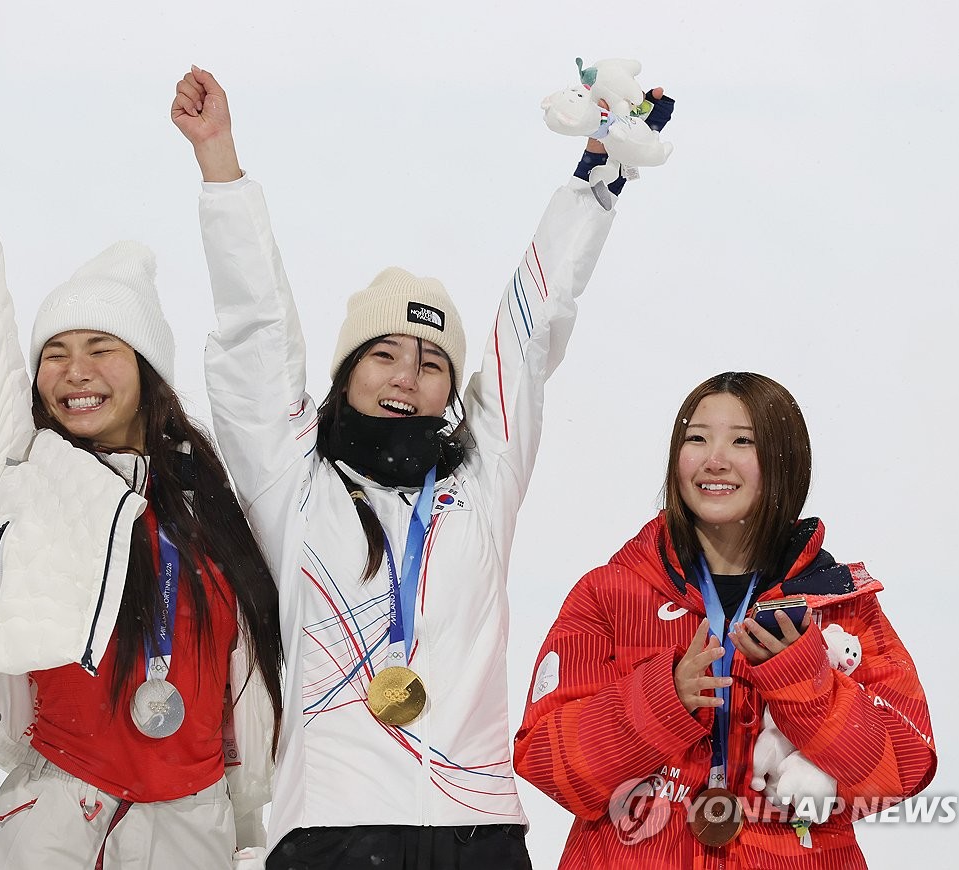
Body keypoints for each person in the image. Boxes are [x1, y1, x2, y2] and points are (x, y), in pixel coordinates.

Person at [169, 66, 674, 869]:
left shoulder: (481, 482)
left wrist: (596, 182)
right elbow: (255, 328)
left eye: (431, 362)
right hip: (332, 826)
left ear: (450, 389)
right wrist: (220, 167)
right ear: (348, 372)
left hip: (478, 830)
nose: (407, 376)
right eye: (385, 354)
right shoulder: (292, 481)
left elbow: (529, 331)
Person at [0, 83, 283, 869]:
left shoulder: (214, 500)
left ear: (148, 371)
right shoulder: (16, 472)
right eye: (55, 352)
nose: (74, 372)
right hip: (61, 814)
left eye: (102, 349)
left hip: (197, 820)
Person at [514, 372, 936, 868]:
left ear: (785, 463)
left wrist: (805, 684)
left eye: (742, 441)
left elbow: (901, 770)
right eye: (697, 438)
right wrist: (660, 698)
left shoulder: (837, 604)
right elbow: (547, 763)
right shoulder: (609, 593)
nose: (715, 458)